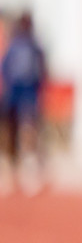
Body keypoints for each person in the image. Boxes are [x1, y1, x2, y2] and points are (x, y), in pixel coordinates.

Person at [2, 12, 49, 183]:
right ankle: (15, 167)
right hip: (19, 96)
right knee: (18, 131)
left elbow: (5, 70)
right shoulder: (24, 46)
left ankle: (25, 167)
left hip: (22, 96)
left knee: (24, 131)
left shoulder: (27, 46)